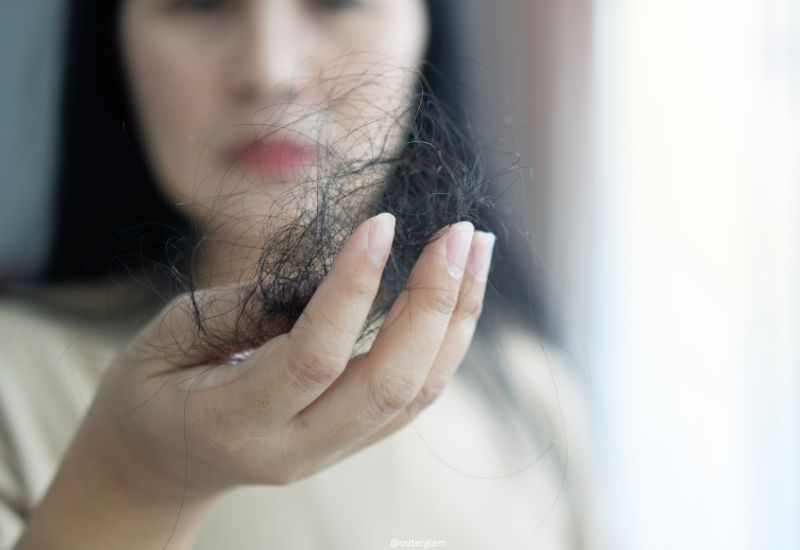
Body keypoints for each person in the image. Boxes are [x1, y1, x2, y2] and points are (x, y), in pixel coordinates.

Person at [0, 0, 598, 548]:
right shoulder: (13, 380)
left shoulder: (532, 396)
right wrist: (133, 482)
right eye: (199, 1)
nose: (270, 70)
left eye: (335, 0)